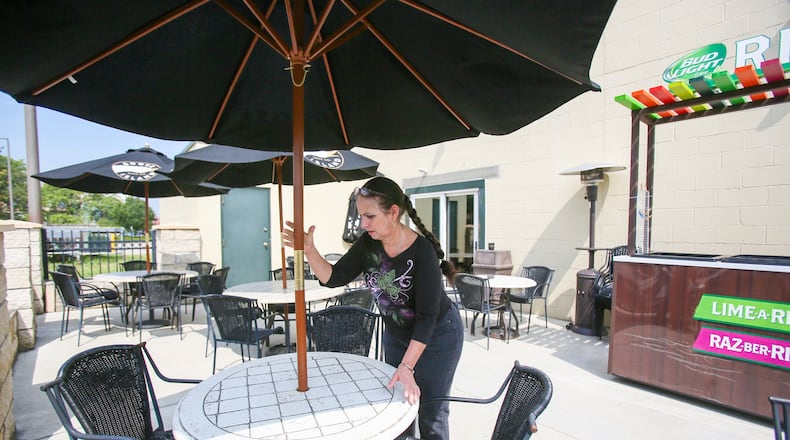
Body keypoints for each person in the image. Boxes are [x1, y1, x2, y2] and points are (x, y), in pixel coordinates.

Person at [282, 176, 464, 440]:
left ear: (393, 213)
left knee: (430, 414)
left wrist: (407, 366)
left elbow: (427, 318)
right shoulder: (368, 243)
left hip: (438, 337)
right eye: (360, 216)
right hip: (397, 336)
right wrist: (309, 251)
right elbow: (333, 277)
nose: (363, 223)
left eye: (369, 216)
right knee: (397, 409)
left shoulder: (421, 253)